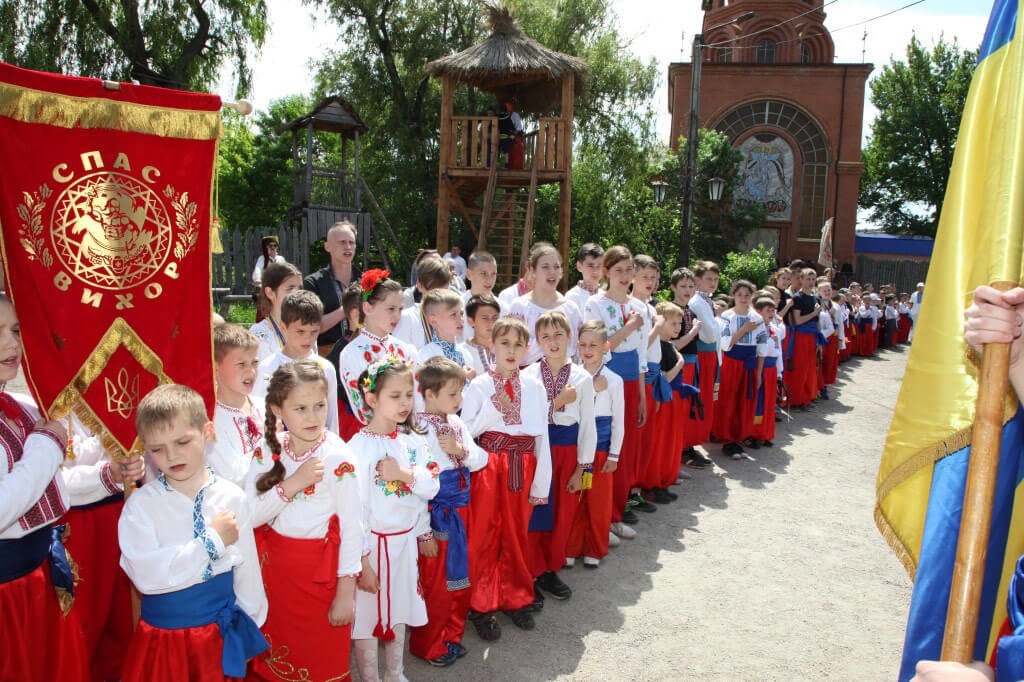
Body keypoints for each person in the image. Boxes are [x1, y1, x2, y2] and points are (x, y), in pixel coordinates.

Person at [119, 385, 268, 682]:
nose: (172, 455)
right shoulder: (141, 506)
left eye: (182, 441)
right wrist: (211, 541)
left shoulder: (231, 497)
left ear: (207, 431)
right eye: (157, 449)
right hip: (163, 643)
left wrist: (250, 624)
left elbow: (248, 573)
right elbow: (147, 577)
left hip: (218, 638)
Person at [246, 361, 363, 682]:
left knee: (319, 659)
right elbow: (251, 514)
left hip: (320, 579)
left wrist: (345, 592)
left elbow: (353, 528)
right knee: (278, 655)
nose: (313, 417)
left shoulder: (338, 457)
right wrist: (291, 484)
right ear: (277, 409)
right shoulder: (266, 450)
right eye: (300, 408)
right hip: (275, 576)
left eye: (320, 406)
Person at [0, 296, 89, 682]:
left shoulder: (21, 406)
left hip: (37, 577)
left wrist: (109, 474)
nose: (11, 344)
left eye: (15, 331)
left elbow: (50, 487)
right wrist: (44, 444)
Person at [349, 359, 440, 682]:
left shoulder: (413, 442)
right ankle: (370, 677)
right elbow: (353, 509)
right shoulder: (357, 449)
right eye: (395, 396)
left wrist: (402, 474)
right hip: (373, 547)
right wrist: (362, 562)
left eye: (408, 395)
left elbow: (431, 485)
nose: (405, 403)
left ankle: (395, 673)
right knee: (367, 616)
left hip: (403, 545)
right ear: (372, 399)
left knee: (399, 608)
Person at [461, 318, 551, 634]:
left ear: (527, 349)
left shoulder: (535, 386)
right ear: (492, 346)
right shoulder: (479, 386)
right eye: (504, 343)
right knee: (484, 533)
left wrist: (542, 480)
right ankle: (480, 604)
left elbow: (542, 437)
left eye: (517, 344)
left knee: (516, 533)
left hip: (522, 466)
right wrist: (491, 410)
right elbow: (465, 433)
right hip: (488, 464)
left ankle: (516, 597)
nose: (511, 351)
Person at [408, 357, 488, 667]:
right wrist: (423, 529)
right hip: (437, 514)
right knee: (436, 584)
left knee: (460, 578)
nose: (459, 399)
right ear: (429, 394)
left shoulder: (455, 423)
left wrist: (460, 451)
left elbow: (480, 460)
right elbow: (416, 486)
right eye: (452, 393)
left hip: (462, 510)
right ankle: (429, 644)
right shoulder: (416, 429)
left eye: (460, 392)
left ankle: (451, 635)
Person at [525, 311, 596, 608]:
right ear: (537, 341)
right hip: (537, 451)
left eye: (558, 335)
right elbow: (526, 420)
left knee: (561, 512)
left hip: (567, 452)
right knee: (535, 512)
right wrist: (558, 403)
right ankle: (529, 570)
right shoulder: (527, 375)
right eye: (545, 336)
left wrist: (582, 468)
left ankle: (549, 569)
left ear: (570, 337)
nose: (552, 342)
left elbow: (588, 426)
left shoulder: (582, 377)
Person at [583, 246, 646, 530]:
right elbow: (598, 347)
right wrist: (630, 327)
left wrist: (643, 396)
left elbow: (642, 356)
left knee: (625, 447)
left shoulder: (640, 306)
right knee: (602, 446)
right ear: (606, 272)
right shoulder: (595, 304)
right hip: (604, 383)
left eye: (629, 269)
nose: (625, 275)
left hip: (632, 382)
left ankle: (616, 514)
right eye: (618, 269)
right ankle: (598, 517)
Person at [567, 320, 625, 566]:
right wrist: (590, 388)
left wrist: (614, 455)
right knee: (574, 500)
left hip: (600, 450)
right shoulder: (571, 375)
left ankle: (594, 548)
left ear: (606, 347)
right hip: (575, 447)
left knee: (598, 501)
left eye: (594, 345)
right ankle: (571, 547)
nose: (587, 350)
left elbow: (618, 422)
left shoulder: (613, 380)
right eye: (583, 345)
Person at [338, 270, 416, 440]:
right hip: (376, 437)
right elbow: (363, 410)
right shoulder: (351, 353)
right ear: (367, 308)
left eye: (400, 309)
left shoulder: (406, 349)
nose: (397, 316)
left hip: (409, 436)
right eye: (390, 309)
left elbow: (416, 398)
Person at [253, 290, 340, 435]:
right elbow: (258, 417)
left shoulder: (326, 368)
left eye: (314, 331)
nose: (308, 339)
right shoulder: (267, 368)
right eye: (300, 331)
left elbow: (331, 420)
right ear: (283, 327)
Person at [713, 280, 769, 459]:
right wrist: (743, 330)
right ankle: (727, 439)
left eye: (747, 295)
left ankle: (740, 436)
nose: (743, 298)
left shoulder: (758, 318)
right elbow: (725, 344)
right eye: (739, 295)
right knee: (728, 399)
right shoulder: (727, 317)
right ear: (733, 296)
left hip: (750, 364)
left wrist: (759, 373)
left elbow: (762, 346)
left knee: (745, 400)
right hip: (732, 363)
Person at [507, 242, 584, 366]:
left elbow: (578, 351)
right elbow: (511, 349)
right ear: (533, 271)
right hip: (528, 378)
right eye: (545, 266)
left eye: (556, 266)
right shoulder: (520, 307)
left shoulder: (571, 309)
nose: (552, 271)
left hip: (565, 378)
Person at [640, 301, 686, 502]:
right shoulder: (659, 345)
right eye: (673, 323)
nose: (678, 328)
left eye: (679, 324)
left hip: (671, 398)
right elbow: (664, 377)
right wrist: (681, 363)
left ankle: (664, 479)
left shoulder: (667, 345)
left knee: (669, 441)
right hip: (662, 398)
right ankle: (653, 483)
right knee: (659, 442)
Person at [208, 324, 263, 486]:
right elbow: (232, 475)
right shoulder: (211, 420)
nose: (251, 371)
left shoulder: (264, 407)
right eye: (241, 364)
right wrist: (270, 445)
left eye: (255, 362)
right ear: (216, 367)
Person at [304, 221, 363, 357]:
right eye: (342, 242)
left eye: (351, 242)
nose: (348, 247)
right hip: (327, 355)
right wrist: (347, 308)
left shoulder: (366, 280)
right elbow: (311, 328)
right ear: (327, 246)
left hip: (362, 351)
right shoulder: (313, 283)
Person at [687, 261, 722, 467]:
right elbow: (709, 335)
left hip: (710, 355)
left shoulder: (706, 301)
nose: (713, 283)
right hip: (702, 354)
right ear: (697, 280)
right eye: (709, 279)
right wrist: (716, 322)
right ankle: (689, 443)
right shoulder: (697, 302)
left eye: (716, 279)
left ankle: (696, 440)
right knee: (699, 398)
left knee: (706, 397)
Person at [670, 268, 705, 476]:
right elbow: (673, 345)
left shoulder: (691, 310)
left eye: (691, 286)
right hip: (679, 365)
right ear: (673, 287)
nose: (688, 290)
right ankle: (677, 456)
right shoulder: (672, 310)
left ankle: (684, 449)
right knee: (677, 412)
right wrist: (693, 331)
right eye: (683, 286)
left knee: (687, 411)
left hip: (692, 364)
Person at [395, 256, 454, 349]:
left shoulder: (454, 317)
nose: (438, 297)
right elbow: (398, 356)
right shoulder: (408, 318)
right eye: (433, 291)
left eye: (443, 291)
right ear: (419, 285)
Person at [250, 262, 303, 363]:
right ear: (270, 293)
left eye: (299, 288)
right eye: (290, 289)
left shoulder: (306, 328)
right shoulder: (259, 334)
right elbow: (264, 376)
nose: (298, 294)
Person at [416, 289, 473, 379]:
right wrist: (461, 375)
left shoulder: (465, 353)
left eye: (461, 313)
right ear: (434, 321)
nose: (461, 319)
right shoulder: (426, 356)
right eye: (453, 314)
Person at [787, 268, 821, 409]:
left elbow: (817, 320)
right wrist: (814, 313)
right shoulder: (797, 298)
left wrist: (819, 340)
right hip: (801, 336)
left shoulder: (816, 298)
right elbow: (797, 320)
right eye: (808, 279)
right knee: (800, 368)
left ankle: (806, 398)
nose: (811, 282)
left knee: (810, 368)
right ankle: (796, 400)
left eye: (813, 279)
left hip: (813, 336)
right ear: (801, 279)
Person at [751, 296, 781, 448]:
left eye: (773, 310)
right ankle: (754, 434)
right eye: (767, 310)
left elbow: (778, 353)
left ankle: (766, 433)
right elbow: (759, 351)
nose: (771, 313)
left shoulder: (773, 329)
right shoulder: (756, 329)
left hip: (771, 369)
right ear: (758, 311)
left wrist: (779, 372)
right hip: (761, 368)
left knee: (769, 402)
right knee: (759, 402)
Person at [459, 294, 500, 378]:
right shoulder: (461, 353)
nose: (491, 323)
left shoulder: (506, 349)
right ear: (471, 321)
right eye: (485, 318)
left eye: (495, 318)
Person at [565, 243, 605, 314]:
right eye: (590, 265)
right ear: (579, 266)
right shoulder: (572, 297)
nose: (595, 270)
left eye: (599, 265)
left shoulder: (605, 295)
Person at [497, 99, 524, 169]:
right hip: (507, 138)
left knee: (516, 154)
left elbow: (519, 129)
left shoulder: (515, 115)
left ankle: (516, 169)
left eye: (509, 106)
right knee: (507, 152)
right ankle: (507, 167)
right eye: (506, 106)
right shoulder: (502, 116)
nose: (507, 107)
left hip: (516, 138)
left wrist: (513, 135)